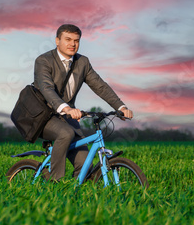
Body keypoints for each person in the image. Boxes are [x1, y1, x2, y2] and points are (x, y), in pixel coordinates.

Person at [34, 24, 133, 182]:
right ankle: (54, 184)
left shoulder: (82, 62)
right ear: (57, 41)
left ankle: (75, 194)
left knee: (83, 161)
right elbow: (47, 89)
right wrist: (66, 108)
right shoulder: (43, 61)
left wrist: (120, 107)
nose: (72, 44)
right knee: (65, 133)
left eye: (76, 40)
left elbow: (100, 86)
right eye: (68, 39)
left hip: (67, 118)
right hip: (42, 116)